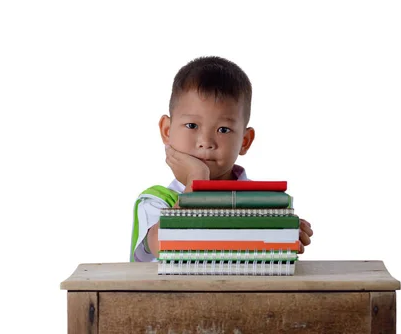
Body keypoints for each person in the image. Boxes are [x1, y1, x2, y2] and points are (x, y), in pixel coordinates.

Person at [130, 56, 313, 262]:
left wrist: (284, 235)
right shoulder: (156, 201)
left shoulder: (264, 203)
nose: (205, 142)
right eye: (192, 125)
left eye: (223, 129)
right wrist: (197, 181)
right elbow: (164, 244)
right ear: (166, 130)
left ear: (245, 141)